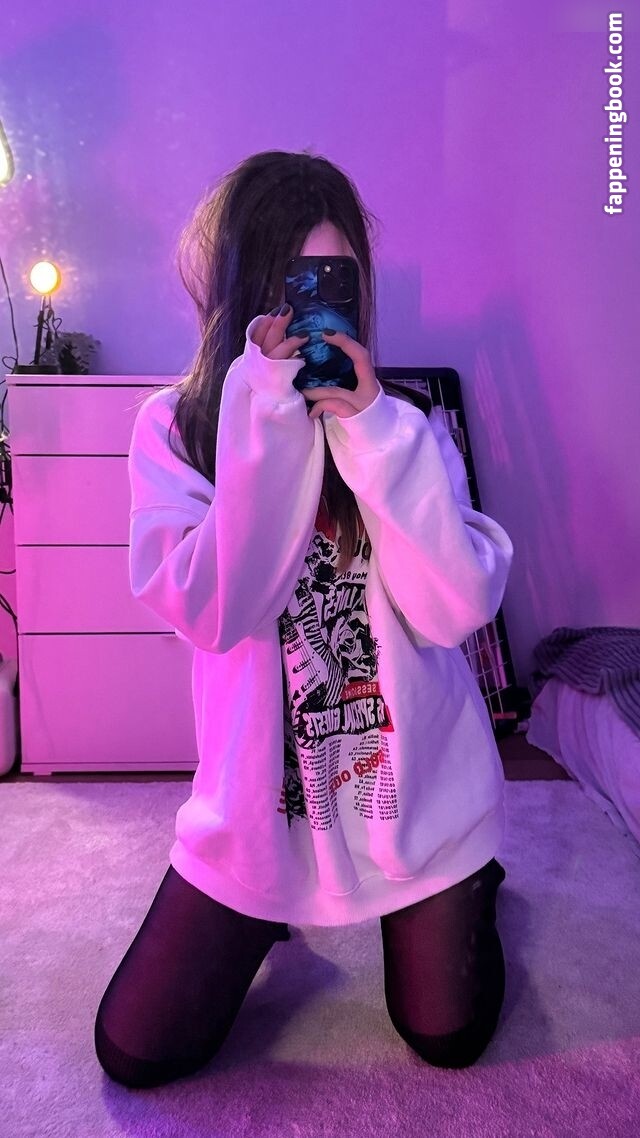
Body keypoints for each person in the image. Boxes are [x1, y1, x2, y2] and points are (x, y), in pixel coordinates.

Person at [94, 150, 514, 1090]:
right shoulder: (178, 428)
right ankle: (275, 909)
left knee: (447, 1035)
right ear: (246, 296)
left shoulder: (404, 424)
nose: (315, 317)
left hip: (417, 798)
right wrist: (266, 422)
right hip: (260, 810)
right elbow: (217, 611)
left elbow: (452, 612)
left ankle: (473, 873)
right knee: (134, 1049)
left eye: (335, 285)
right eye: (292, 288)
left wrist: (372, 434)